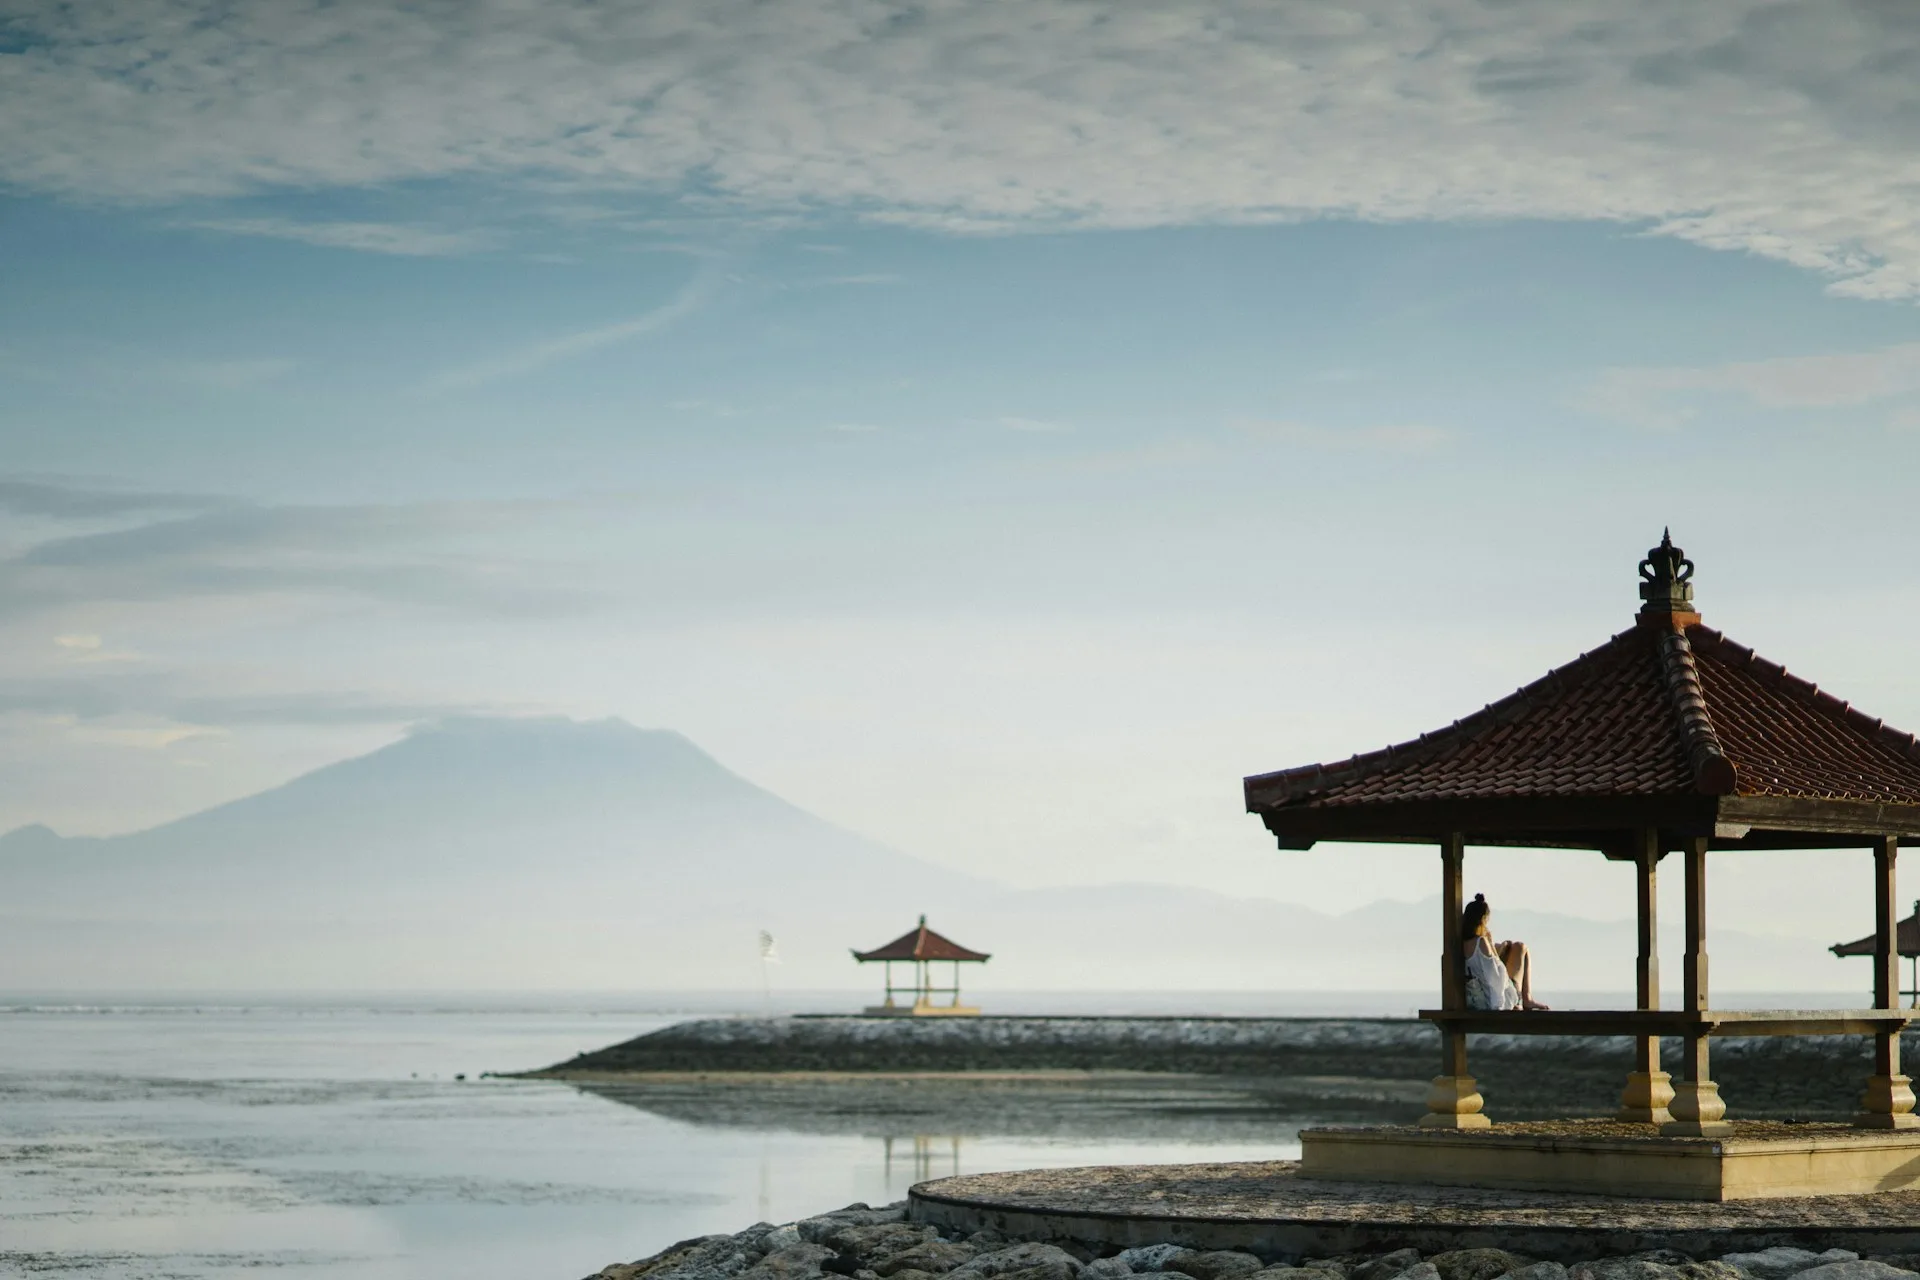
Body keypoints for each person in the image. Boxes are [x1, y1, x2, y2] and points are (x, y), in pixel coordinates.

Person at [1462, 893, 1549, 1011]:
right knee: (1520, 947)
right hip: (1501, 999)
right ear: (1483, 919)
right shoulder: (1481, 942)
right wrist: (1493, 948)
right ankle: (1527, 999)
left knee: (1505, 947)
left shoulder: (1462, 943)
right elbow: (1496, 978)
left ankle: (1527, 999)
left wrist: (1498, 948)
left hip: (1480, 995)